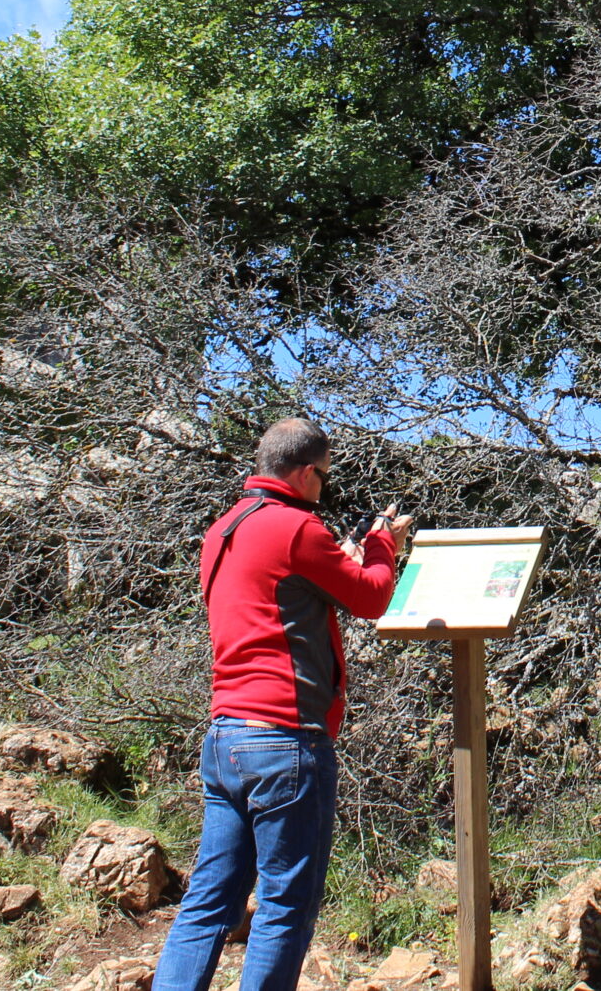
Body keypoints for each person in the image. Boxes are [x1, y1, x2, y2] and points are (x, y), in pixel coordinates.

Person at [150, 418, 414, 991]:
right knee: (284, 907)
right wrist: (381, 545)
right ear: (304, 472)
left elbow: (276, 599)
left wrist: (341, 556)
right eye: (324, 476)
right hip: (285, 740)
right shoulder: (296, 528)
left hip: (226, 736)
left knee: (208, 901)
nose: (324, 487)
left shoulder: (223, 529)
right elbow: (371, 597)